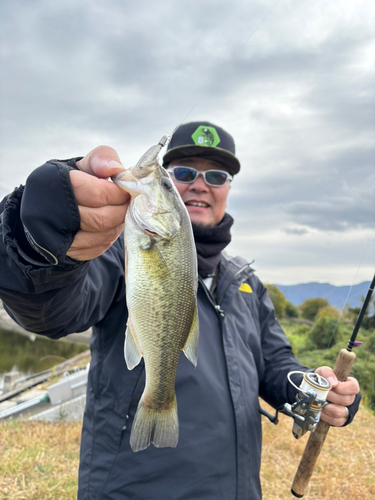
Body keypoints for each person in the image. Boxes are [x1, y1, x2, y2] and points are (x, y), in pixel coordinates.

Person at [0, 121, 360, 500]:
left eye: (216, 176)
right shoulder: (116, 256)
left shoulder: (247, 284)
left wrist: (313, 390)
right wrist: (39, 246)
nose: (200, 185)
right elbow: (53, 313)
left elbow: (274, 363)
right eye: (182, 174)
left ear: (228, 189)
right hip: (133, 491)